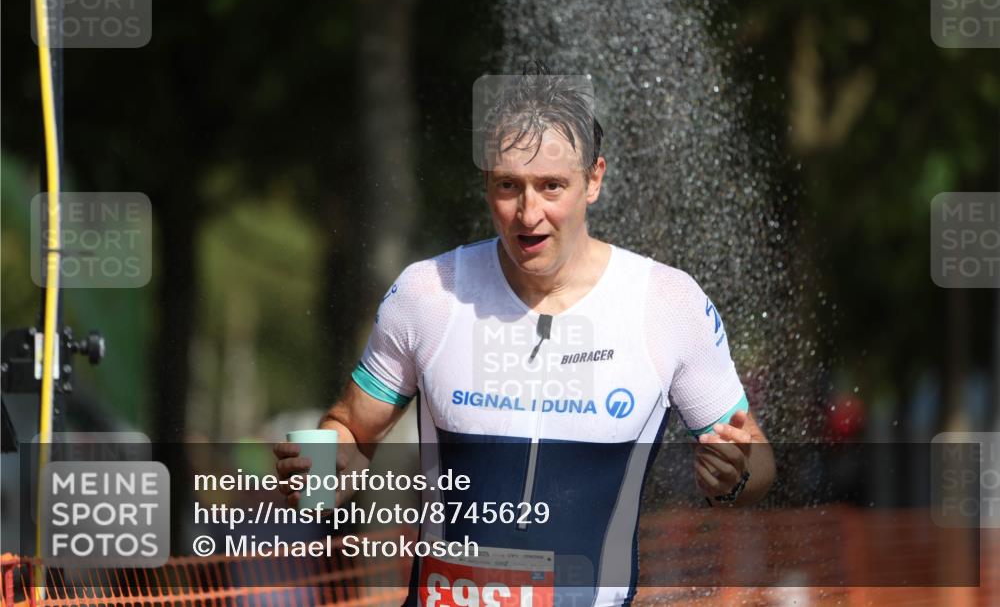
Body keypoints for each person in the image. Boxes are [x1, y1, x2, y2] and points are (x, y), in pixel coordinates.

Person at [275, 70, 775, 607]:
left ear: (595, 180)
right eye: (508, 185)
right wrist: (320, 478)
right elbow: (351, 429)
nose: (528, 213)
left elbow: (760, 463)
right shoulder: (430, 293)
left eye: (551, 186)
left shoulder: (667, 304)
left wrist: (736, 477)